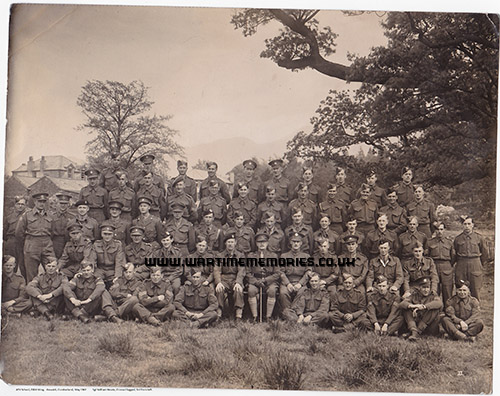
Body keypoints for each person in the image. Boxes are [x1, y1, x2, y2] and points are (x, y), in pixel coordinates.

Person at [15, 192, 56, 282]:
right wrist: (27, 243)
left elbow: (52, 232)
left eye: (44, 201)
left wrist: (46, 240)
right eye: (39, 201)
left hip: (47, 244)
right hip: (32, 244)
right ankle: (33, 295)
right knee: (31, 273)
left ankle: (51, 294)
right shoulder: (27, 215)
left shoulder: (50, 216)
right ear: (34, 202)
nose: (42, 204)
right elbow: (19, 233)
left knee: (52, 270)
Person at [246, 232, 280, 321]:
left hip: (269, 281)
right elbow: (247, 272)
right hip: (256, 280)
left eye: (264, 242)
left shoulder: (273, 256)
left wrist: (266, 280)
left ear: (267, 243)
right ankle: (255, 316)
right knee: (251, 290)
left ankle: (268, 316)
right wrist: (255, 281)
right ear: (256, 243)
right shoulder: (250, 256)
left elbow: (277, 273)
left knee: (272, 291)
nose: (262, 244)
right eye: (259, 242)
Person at [453, 216, 488, 301]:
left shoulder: (479, 238)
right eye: (465, 224)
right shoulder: (458, 239)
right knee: (461, 287)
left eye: (469, 224)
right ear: (462, 225)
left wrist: (479, 264)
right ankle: (461, 308)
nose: (467, 226)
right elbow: (454, 254)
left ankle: (476, 309)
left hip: (475, 263)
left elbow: (485, 253)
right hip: (462, 264)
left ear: (473, 225)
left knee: (475, 288)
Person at [400, 276, 443, 341]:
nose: (426, 290)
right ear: (419, 288)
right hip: (416, 322)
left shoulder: (433, 295)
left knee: (434, 309)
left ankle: (416, 332)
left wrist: (424, 306)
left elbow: (440, 303)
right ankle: (414, 331)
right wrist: (413, 306)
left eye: (427, 287)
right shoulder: (414, 295)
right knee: (406, 308)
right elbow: (402, 304)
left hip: (429, 326)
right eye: (423, 288)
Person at [213, 233, 245, 319]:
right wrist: (218, 282)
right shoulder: (220, 256)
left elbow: (241, 271)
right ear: (225, 243)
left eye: (232, 242)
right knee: (219, 290)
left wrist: (238, 282)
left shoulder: (240, 256)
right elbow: (217, 270)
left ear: (235, 243)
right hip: (224, 279)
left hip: (235, 278)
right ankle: (218, 316)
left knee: (238, 290)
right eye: (228, 242)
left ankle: (238, 316)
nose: (230, 244)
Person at [279, 233, 311, 311]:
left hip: (300, 282)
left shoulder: (306, 256)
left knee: (302, 292)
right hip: (287, 281)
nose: (296, 244)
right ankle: (287, 312)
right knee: (283, 293)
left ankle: (295, 312)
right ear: (290, 242)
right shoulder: (284, 256)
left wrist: (300, 283)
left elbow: (308, 272)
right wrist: (288, 283)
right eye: (294, 241)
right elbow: (280, 272)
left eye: (298, 242)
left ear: (301, 243)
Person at [428, 221, 455, 305]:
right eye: (437, 229)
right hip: (434, 266)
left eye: (441, 229)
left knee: (447, 290)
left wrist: (449, 265)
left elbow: (453, 256)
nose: (439, 231)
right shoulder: (430, 242)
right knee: (434, 290)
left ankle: (448, 310)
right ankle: (435, 311)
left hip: (446, 267)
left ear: (444, 230)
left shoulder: (449, 242)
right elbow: (427, 256)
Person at [93, 223, 126, 287]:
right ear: (101, 234)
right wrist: (93, 272)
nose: (107, 236)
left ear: (113, 234)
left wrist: (117, 276)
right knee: (96, 283)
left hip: (112, 270)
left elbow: (119, 262)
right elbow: (93, 260)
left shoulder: (118, 245)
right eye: (105, 234)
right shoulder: (96, 244)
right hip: (100, 270)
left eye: (109, 234)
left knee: (117, 286)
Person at [152, 231, 183, 296]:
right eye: (164, 240)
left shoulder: (177, 252)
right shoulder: (157, 253)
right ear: (161, 241)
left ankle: (175, 303)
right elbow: (154, 267)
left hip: (174, 276)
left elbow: (179, 270)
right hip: (161, 275)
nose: (166, 242)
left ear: (171, 240)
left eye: (167, 240)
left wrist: (169, 278)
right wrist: (160, 276)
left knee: (176, 286)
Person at [3, 195, 27, 276]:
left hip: (23, 242)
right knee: (10, 264)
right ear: (15, 205)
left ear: (25, 205)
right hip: (11, 242)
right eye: (18, 204)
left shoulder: (27, 217)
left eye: (22, 204)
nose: (20, 206)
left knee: (24, 265)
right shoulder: (9, 217)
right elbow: (4, 232)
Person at [51, 192, 75, 258]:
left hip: (68, 242)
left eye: (65, 203)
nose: (63, 205)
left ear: (68, 205)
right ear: (57, 204)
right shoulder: (52, 216)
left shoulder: (73, 217)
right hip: (55, 242)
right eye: (61, 203)